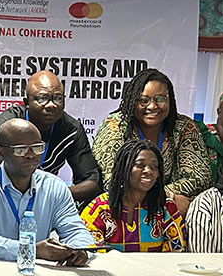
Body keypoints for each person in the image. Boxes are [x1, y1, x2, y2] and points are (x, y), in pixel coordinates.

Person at [0, 119, 93, 266]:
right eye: (21, 149)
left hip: (38, 274)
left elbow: (77, 232)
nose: (31, 155)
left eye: (37, 147)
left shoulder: (54, 186)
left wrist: (80, 251)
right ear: (1, 152)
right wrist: (31, 249)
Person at [90, 69, 210, 213]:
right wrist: (166, 198)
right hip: (120, 210)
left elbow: (198, 178)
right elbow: (112, 182)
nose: (152, 106)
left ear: (170, 99)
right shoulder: (115, 126)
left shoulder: (184, 127)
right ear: (133, 101)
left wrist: (159, 198)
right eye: (144, 100)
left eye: (160, 99)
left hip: (169, 213)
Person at [0, 70, 101, 205]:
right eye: (43, 98)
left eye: (58, 98)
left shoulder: (71, 129)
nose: (51, 105)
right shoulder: (9, 125)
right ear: (27, 102)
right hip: (5, 198)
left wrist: (55, 194)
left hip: (48, 203)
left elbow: (92, 180)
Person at [81, 139, 185, 252]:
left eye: (154, 166)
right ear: (123, 168)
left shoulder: (165, 207)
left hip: (154, 269)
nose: (148, 171)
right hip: (111, 268)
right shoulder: (99, 209)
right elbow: (89, 251)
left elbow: (176, 250)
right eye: (140, 165)